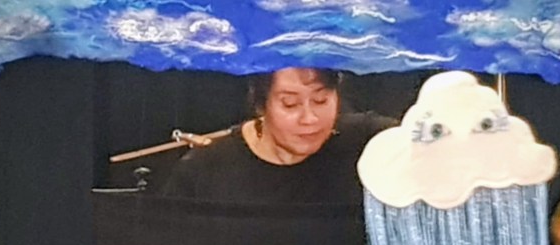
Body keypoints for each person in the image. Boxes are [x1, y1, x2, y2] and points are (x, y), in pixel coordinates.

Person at [161, 68, 396, 231]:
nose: (309, 118)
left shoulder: (370, 143)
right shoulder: (204, 171)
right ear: (260, 106)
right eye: (290, 104)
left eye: (321, 100)